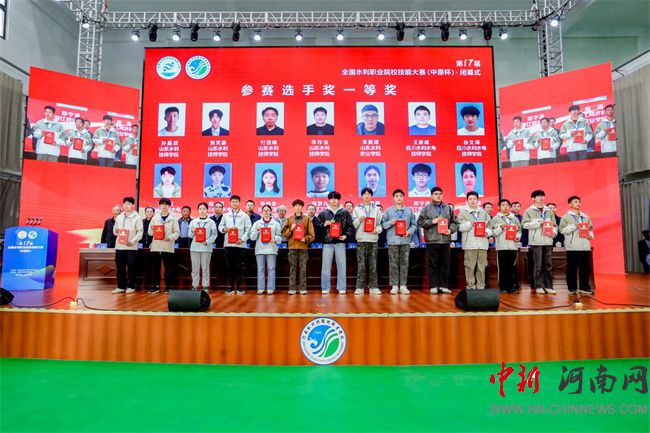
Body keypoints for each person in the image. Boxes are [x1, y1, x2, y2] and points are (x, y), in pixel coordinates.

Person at [418, 187, 458, 294]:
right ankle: (433, 286)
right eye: (436, 194)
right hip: (432, 240)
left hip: (445, 240)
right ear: (432, 195)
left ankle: (443, 286)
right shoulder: (427, 208)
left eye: (440, 194)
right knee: (433, 264)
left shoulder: (448, 208)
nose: (438, 196)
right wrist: (432, 221)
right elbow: (420, 222)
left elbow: (454, 222)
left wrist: (450, 230)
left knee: (445, 264)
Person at [314, 191, 354, 294]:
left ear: (338, 200)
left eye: (335, 198)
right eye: (331, 198)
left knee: (342, 266)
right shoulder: (324, 213)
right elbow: (316, 226)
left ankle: (342, 287)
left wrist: (345, 235)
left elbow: (350, 226)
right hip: (327, 243)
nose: (333, 200)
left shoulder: (345, 212)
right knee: (325, 267)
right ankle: (325, 287)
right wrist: (324, 224)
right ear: (329, 200)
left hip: (340, 243)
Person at [522, 189, 558, 294]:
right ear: (533, 198)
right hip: (536, 242)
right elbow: (524, 224)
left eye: (542, 196)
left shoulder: (549, 211)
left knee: (548, 265)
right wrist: (538, 223)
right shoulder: (528, 211)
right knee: (538, 265)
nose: (541, 198)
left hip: (548, 241)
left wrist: (554, 233)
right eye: (538, 196)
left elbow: (555, 225)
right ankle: (539, 286)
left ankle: (548, 286)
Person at [382, 189, 417, 295]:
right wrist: (390, 223)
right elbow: (383, 225)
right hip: (393, 241)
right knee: (393, 264)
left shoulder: (409, 211)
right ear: (393, 198)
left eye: (401, 196)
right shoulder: (388, 211)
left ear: (403, 198)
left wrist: (409, 232)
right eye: (396, 196)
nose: (398, 198)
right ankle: (394, 286)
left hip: (405, 241)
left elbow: (414, 225)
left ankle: (403, 285)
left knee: (404, 263)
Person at [559, 196, 595, 294]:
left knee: (585, 269)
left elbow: (590, 229)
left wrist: (590, 236)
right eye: (575, 202)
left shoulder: (586, 217)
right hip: (572, 247)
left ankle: (584, 287)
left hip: (585, 246)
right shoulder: (565, 217)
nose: (578, 203)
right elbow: (561, 230)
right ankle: (572, 288)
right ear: (570, 204)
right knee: (572, 269)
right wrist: (574, 226)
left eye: (579, 202)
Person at [457, 191, 492, 290]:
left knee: (482, 266)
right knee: (469, 266)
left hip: (482, 244)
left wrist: (487, 233)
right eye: (470, 199)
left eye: (474, 199)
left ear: (478, 200)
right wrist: (470, 223)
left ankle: (481, 286)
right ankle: (470, 286)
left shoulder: (484, 213)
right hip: (469, 244)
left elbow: (490, 227)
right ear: (467, 200)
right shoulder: (463, 213)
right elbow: (460, 227)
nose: (472, 201)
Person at [218, 195, 252, 294]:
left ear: (239, 203)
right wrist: (223, 229)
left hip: (240, 245)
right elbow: (220, 226)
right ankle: (231, 286)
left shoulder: (244, 216)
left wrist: (242, 239)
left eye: (236, 201)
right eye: (233, 202)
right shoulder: (225, 215)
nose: (234, 203)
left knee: (239, 266)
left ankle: (240, 286)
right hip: (228, 245)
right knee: (229, 266)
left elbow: (248, 229)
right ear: (230, 203)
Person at [352, 188, 383, 295]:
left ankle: (373, 287)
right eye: (364, 194)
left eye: (369, 194)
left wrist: (377, 230)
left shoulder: (376, 209)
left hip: (373, 240)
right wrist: (359, 219)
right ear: (362, 196)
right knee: (361, 265)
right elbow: (353, 225)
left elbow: (380, 225)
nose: (367, 196)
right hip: (361, 239)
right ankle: (359, 287)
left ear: (371, 196)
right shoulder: (357, 209)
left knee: (373, 264)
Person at [282, 199, 315, 295]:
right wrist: (291, 229)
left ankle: (303, 288)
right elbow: (285, 235)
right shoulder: (289, 219)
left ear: (302, 207)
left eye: (300, 205)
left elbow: (312, 235)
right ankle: (292, 288)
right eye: (296, 205)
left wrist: (306, 238)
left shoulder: (307, 219)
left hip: (303, 247)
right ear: (293, 207)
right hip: (292, 247)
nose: (298, 207)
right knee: (292, 268)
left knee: (303, 268)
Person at [488, 199, 522, 293]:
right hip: (501, 246)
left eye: (507, 205)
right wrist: (501, 227)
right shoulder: (495, 219)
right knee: (502, 267)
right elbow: (493, 232)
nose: (505, 207)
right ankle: (502, 287)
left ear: (509, 207)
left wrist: (518, 237)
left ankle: (511, 286)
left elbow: (519, 231)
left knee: (511, 267)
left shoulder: (514, 218)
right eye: (503, 205)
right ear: (499, 207)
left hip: (513, 246)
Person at [147, 198, 180, 293]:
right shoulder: (155, 218)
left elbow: (177, 233)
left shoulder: (173, 218)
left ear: (169, 206)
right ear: (159, 206)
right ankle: (156, 287)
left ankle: (168, 286)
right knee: (155, 268)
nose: (164, 206)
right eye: (162, 204)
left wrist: (169, 238)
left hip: (167, 245)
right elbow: (150, 233)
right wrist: (152, 228)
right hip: (156, 246)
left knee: (169, 268)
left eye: (166, 204)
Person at [112, 197, 143, 294]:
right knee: (120, 266)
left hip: (131, 246)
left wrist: (132, 241)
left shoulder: (137, 217)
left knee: (131, 266)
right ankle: (121, 286)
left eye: (128, 204)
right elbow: (115, 231)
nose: (126, 206)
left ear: (133, 205)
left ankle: (131, 286)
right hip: (119, 246)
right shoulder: (119, 217)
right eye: (124, 204)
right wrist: (116, 230)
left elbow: (140, 232)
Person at [249, 204, 283, 295]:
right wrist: (257, 230)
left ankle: (270, 288)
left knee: (271, 269)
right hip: (260, 249)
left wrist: (274, 239)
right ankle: (261, 288)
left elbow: (280, 237)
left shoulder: (276, 224)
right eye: (264, 210)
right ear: (262, 212)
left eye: (268, 210)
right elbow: (252, 237)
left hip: (271, 249)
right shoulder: (257, 223)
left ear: (271, 211)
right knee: (260, 269)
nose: (266, 212)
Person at [188, 202, 218, 291]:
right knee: (195, 268)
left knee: (205, 268)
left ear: (207, 210)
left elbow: (214, 235)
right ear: (198, 210)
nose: (202, 211)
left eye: (204, 209)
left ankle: (205, 286)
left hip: (206, 247)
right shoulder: (193, 222)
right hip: (195, 248)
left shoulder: (211, 222)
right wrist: (193, 231)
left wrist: (208, 241)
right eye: (200, 209)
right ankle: (195, 285)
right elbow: (189, 235)